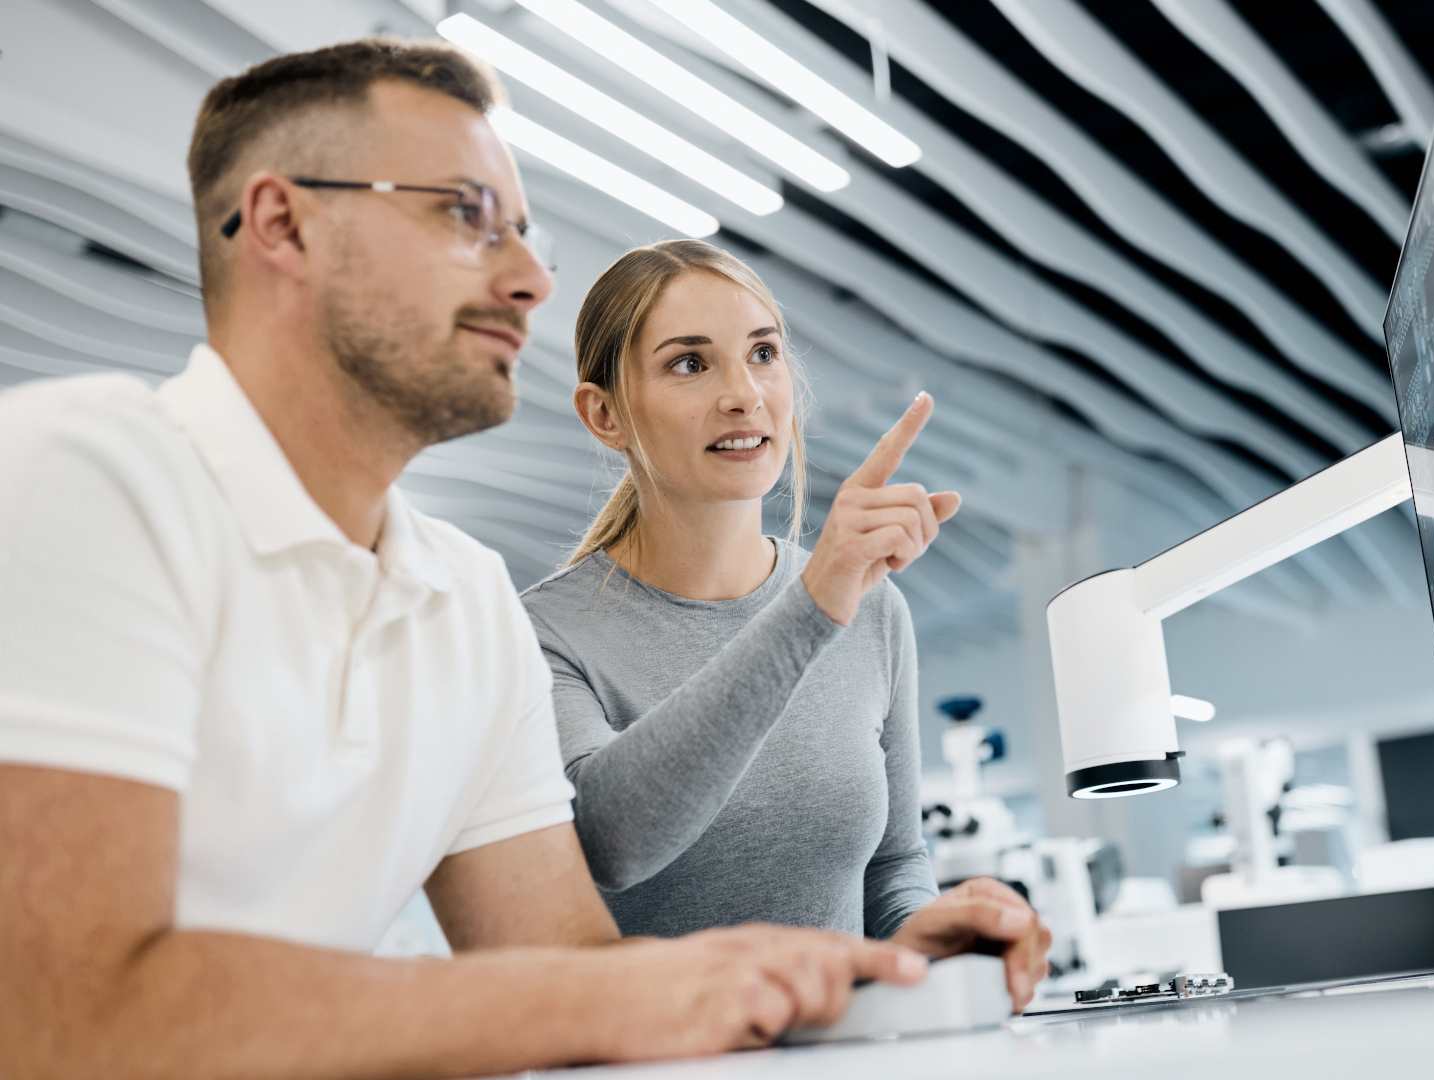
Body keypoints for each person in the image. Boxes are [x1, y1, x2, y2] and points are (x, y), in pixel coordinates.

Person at [0, 39, 929, 1080]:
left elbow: (570, 973)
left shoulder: (464, 601)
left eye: (523, 234)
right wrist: (628, 991)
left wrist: (859, 973)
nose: (529, 280)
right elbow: (59, 1017)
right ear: (285, 225)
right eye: (463, 215)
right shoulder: (84, 474)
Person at [517, 241, 1053, 1011]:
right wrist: (812, 607)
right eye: (690, 364)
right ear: (605, 414)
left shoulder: (873, 609)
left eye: (762, 354)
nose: (743, 394)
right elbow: (612, 839)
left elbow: (893, 868)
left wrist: (932, 935)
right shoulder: (544, 634)